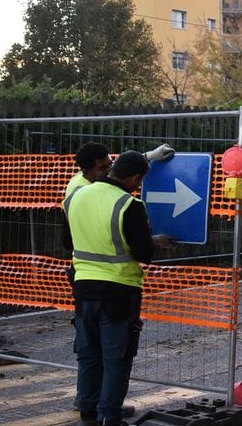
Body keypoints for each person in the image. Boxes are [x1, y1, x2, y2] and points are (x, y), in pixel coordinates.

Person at [63, 151, 173, 426]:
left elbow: (67, 240)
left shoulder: (78, 194)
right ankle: (109, 417)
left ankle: (88, 410)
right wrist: (151, 237)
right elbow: (144, 254)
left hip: (83, 288)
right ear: (135, 178)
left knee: (88, 354)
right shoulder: (129, 205)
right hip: (119, 292)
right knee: (116, 358)